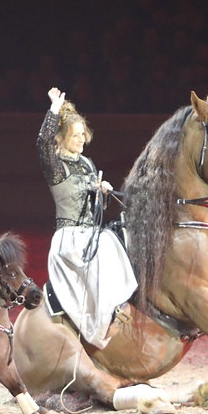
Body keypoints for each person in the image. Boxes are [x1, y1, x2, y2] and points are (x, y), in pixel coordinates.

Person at [37, 86, 137, 348]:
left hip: (91, 233)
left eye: (83, 134)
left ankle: (119, 307)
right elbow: (42, 142)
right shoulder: (56, 166)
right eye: (75, 135)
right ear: (61, 137)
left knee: (118, 239)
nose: (82, 140)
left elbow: (95, 207)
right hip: (69, 237)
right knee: (105, 246)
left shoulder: (87, 163)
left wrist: (101, 191)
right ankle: (100, 323)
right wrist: (54, 109)